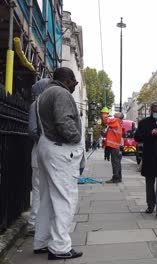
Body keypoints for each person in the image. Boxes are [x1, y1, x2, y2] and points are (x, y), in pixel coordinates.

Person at [33, 67, 84, 260]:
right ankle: (60, 247)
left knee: (46, 199)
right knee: (65, 199)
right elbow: (64, 122)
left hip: (46, 145)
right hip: (60, 149)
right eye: (75, 83)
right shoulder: (61, 93)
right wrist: (77, 138)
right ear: (69, 80)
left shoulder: (45, 94)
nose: (74, 87)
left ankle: (42, 241)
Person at [27, 78, 50, 234]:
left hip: (42, 150)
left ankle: (38, 222)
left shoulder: (41, 104)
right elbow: (33, 131)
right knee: (39, 189)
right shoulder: (37, 105)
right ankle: (34, 223)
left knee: (41, 190)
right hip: (42, 151)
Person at [102, 112, 124, 183]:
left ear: (119, 116)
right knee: (117, 162)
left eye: (118, 113)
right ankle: (119, 177)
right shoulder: (119, 123)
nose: (115, 113)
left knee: (115, 162)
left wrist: (104, 112)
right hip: (116, 146)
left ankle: (116, 178)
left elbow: (105, 120)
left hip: (113, 146)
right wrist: (104, 133)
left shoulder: (115, 120)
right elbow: (110, 134)